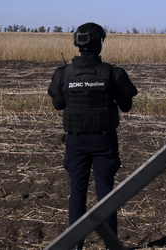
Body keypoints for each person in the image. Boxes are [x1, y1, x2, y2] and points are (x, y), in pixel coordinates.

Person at [48, 22, 138, 250]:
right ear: (99, 42)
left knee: (77, 192)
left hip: (76, 142)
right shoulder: (112, 73)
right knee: (106, 194)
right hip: (104, 141)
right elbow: (126, 106)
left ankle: (75, 245)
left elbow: (58, 104)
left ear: (77, 44)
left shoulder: (63, 74)